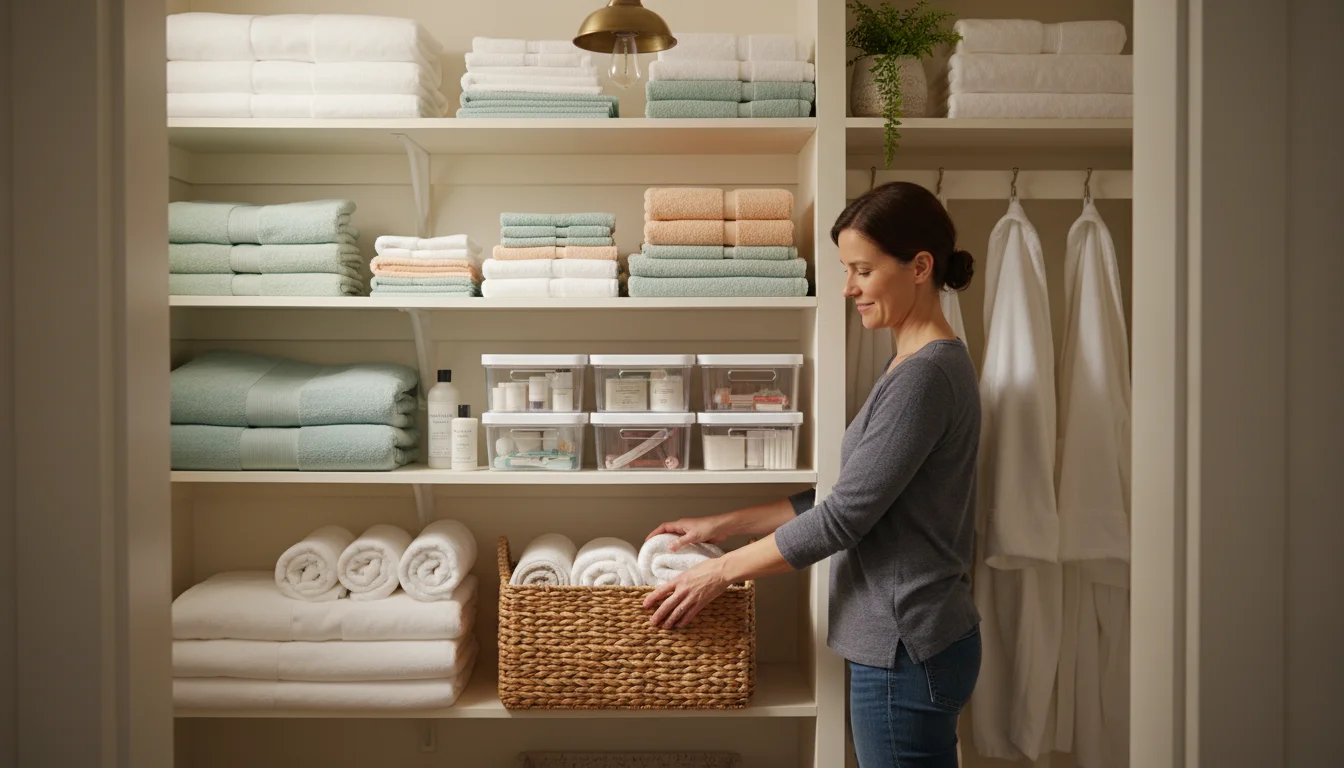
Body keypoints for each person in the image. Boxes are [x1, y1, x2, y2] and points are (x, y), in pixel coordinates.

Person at [643, 182, 982, 767]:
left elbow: (844, 520)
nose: (848, 287)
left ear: (920, 266)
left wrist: (718, 574)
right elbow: (851, 496)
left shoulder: (925, 377)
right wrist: (722, 524)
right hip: (909, 638)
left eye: (862, 270)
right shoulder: (911, 364)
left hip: (905, 644)